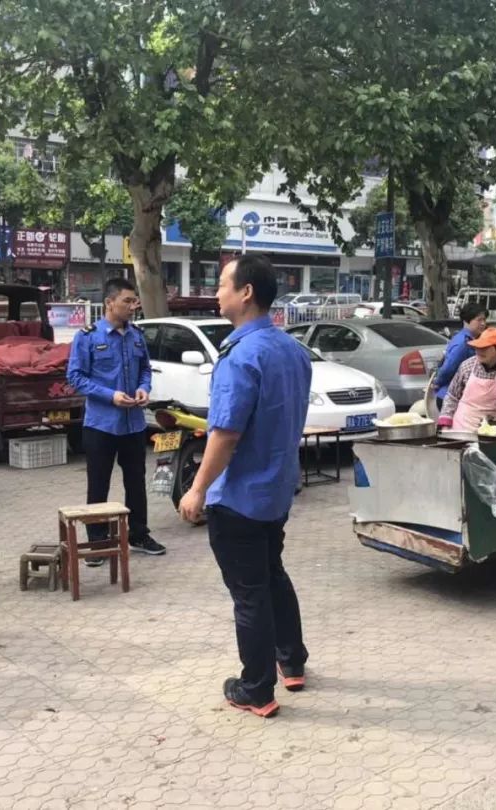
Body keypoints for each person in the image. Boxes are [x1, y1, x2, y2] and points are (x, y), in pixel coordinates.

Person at [179, 254, 312, 719]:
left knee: (250, 593)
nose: (216, 293)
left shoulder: (241, 355)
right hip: (277, 490)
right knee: (272, 574)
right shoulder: (293, 350)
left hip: (240, 498)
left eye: (222, 284)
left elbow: (226, 434)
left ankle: (256, 688)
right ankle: (291, 661)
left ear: (246, 293)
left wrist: (197, 489)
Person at [66, 278, 165, 558]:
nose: (133, 307)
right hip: (101, 424)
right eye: (127, 301)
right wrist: (111, 396)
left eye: (135, 301)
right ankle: (97, 543)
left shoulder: (136, 335)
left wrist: (144, 388)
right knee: (99, 483)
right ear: (109, 303)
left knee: (136, 481)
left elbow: (145, 369)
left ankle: (139, 534)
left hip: (133, 423)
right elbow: (75, 377)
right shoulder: (87, 337)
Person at [437, 327, 496, 432]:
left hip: (493, 429)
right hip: (462, 427)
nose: (479, 351)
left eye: (485, 348)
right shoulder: (467, 366)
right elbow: (452, 397)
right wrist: (445, 425)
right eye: (478, 347)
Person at [431, 303, 488, 406]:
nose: (483, 323)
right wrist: (437, 383)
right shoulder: (464, 342)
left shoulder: (468, 338)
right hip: (452, 397)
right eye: (479, 320)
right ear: (466, 320)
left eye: (484, 319)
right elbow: (448, 369)